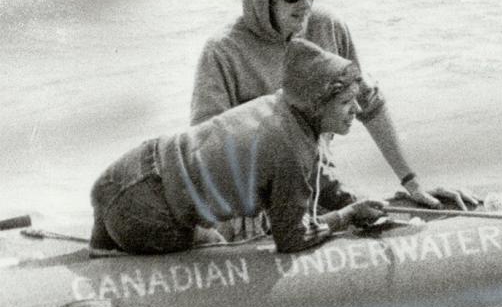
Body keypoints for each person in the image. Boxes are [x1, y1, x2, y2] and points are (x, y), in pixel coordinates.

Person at [192, 0, 474, 211]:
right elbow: (205, 152)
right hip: (251, 202)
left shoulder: (328, 26)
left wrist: (413, 183)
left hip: (322, 187)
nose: (306, 4)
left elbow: (369, 104)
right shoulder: (222, 52)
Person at [91, 38, 388, 255]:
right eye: (347, 102)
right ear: (317, 106)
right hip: (146, 213)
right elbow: (294, 239)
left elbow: (316, 174)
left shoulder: (280, 106)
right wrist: (346, 216)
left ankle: (103, 253)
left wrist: (352, 199)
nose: (358, 108)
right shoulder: (291, 149)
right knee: (217, 248)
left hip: (118, 176)